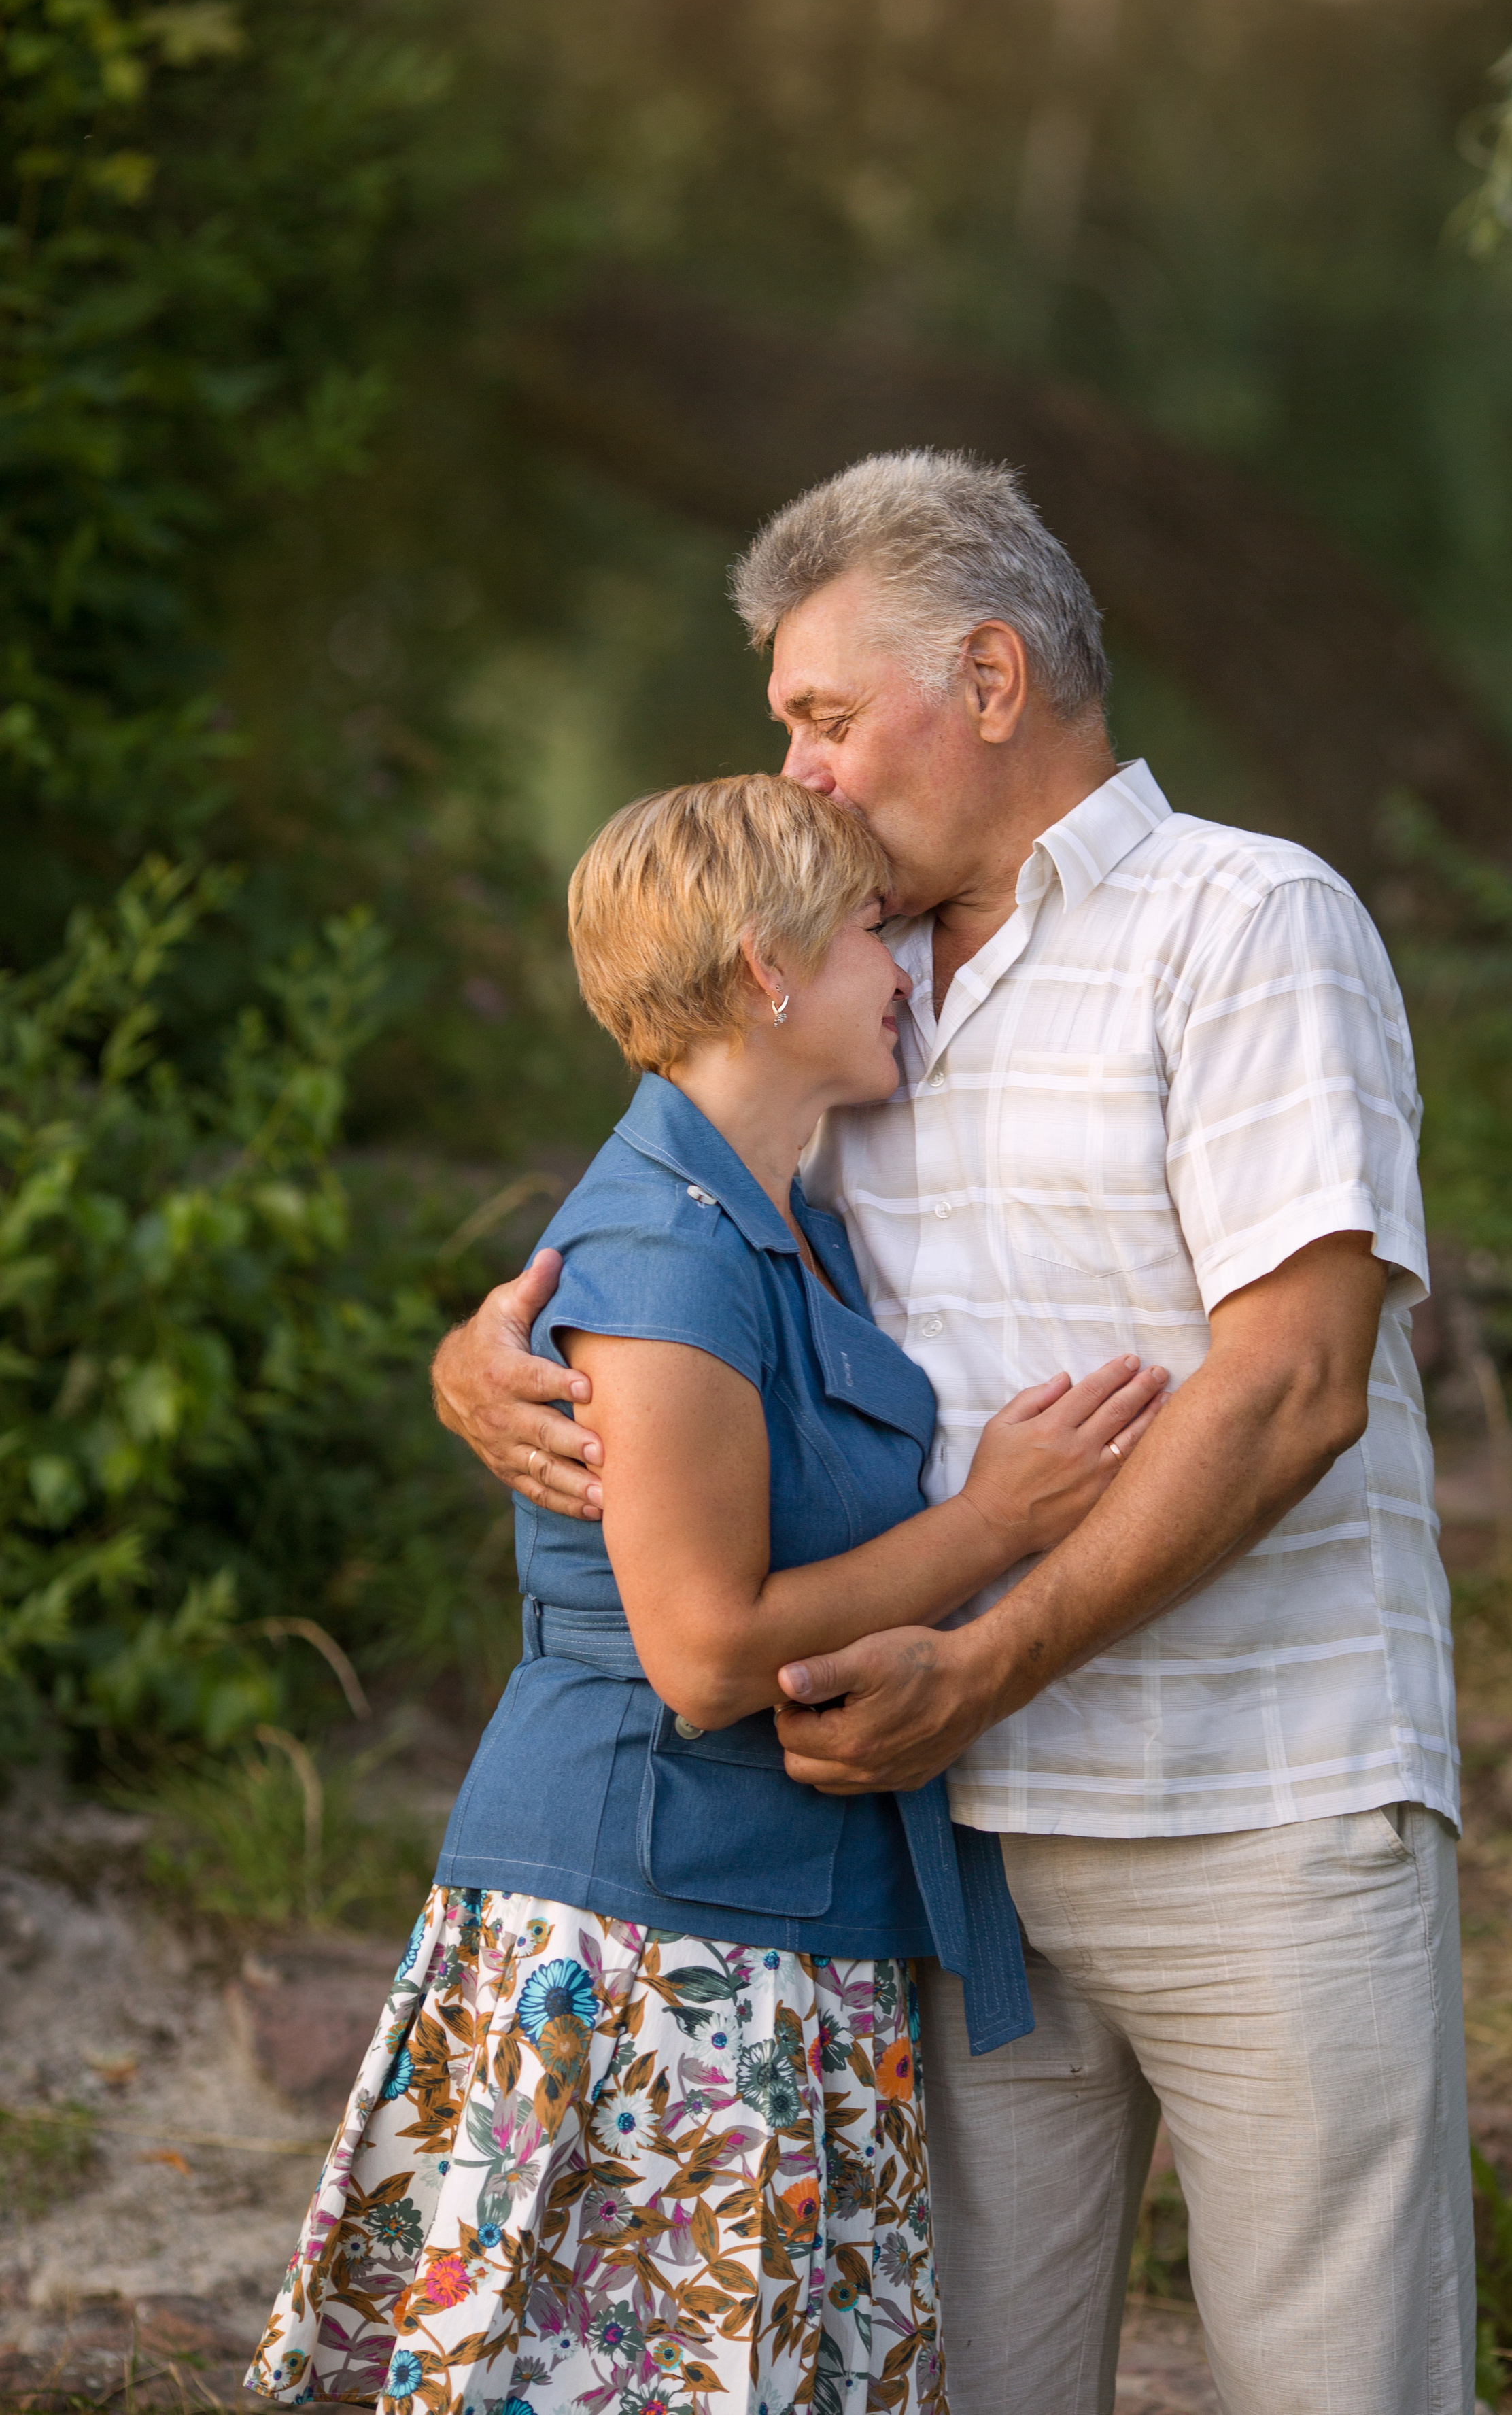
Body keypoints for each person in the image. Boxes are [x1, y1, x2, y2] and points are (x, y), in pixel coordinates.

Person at [432, 452, 1478, 2415]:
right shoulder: (850, 983)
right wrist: (485, 1352)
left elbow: (1294, 1382)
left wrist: (984, 1656)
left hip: (1259, 1804)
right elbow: (678, 1240)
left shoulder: (1246, 918)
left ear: (990, 680)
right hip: (941, 1849)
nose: (802, 772)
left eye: (827, 715)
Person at [247, 771, 1163, 2415]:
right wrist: (996, 1519)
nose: (903, 972)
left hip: (773, 1922)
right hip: (654, 1935)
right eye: (871, 931)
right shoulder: (663, 1254)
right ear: (764, 969)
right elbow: (701, 1648)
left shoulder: (785, 1224)